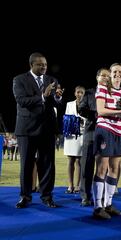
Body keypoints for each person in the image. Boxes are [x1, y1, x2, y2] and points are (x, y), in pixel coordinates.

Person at [13, 52, 63, 208]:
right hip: (27, 129)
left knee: (47, 164)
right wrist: (42, 96)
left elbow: (55, 103)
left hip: (47, 128)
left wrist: (58, 97)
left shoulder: (52, 80)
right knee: (26, 164)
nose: (44, 67)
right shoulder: (19, 80)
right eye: (40, 64)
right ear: (31, 65)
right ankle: (25, 196)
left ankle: (47, 196)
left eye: (46, 65)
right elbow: (21, 101)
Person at [92, 63, 121, 219]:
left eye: (120, 72)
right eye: (114, 71)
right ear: (110, 74)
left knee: (114, 169)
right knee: (102, 168)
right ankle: (97, 206)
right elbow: (100, 111)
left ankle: (108, 204)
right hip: (104, 129)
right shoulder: (102, 88)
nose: (117, 74)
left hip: (119, 131)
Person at [78, 67, 111, 207]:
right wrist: (97, 114)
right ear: (97, 77)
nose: (105, 78)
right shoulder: (90, 93)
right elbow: (81, 109)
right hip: (91, 134)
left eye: (107, 76)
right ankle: (85, 196)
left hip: (107, 135)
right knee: (87, 166)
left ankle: (102, 196)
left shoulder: (111, 94)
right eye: (103, 75)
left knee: (104, 168)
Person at [63, 86, 86, 194]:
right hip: (70, 135)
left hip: (81, 134)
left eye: (81, 92)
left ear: (84, 94)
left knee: (78, 160)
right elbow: (66, 118)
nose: (79, 94)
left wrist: (82, 121)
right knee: (70, 160)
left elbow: (89, 119)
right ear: (75, 93)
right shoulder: (69, 104)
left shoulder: (87, 104)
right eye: (78, 92)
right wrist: (74, 121)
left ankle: (78, 185)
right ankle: (70, 185)